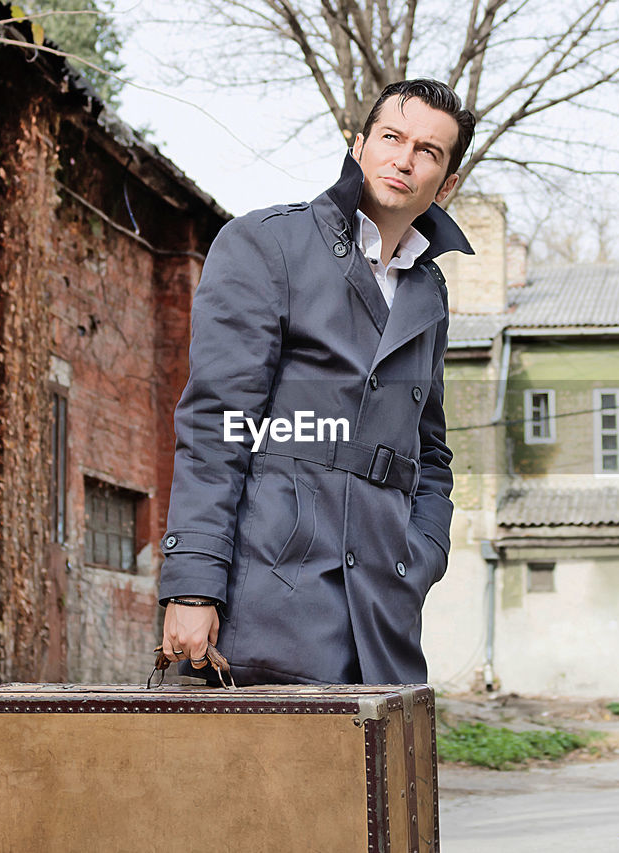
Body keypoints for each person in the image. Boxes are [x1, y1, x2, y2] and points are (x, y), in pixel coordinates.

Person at [158, 79, 476, 685]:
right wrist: (193, 586)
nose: (405, 159)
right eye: (392, 138)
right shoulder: (267, 244)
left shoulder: (426, 288)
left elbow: (429, 450)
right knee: (257, 779)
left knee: (377, 779)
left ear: (447, 182)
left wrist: (424, 551)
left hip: (384, 602)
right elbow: (215, 426)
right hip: (271, 594)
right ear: (360, 146)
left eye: (428, 152)